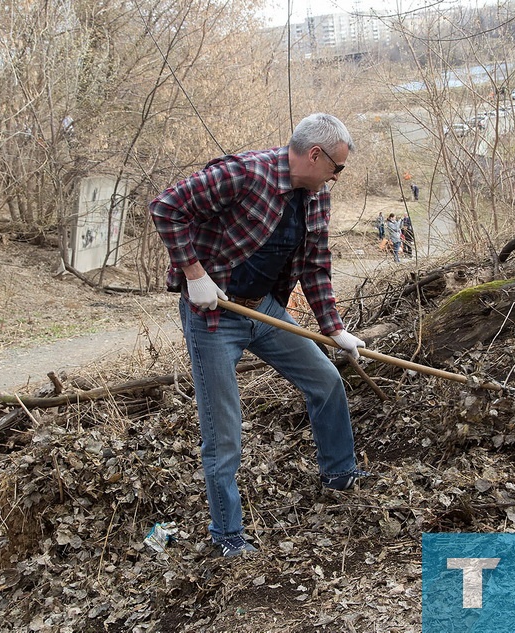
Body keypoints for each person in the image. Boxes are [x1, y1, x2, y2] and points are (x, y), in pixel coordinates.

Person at [149, 113, 371, 558]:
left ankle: (339, 474)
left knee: (325, 380)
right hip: (214, 316)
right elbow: (166, 206)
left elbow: (314, 266)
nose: (336, 177)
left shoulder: (315, 197)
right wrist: (194, 273)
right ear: (314, 154)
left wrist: (336, 329)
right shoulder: (245, 174)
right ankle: (228, 536)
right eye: (337, 168)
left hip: (265, 312)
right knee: (224, 432)